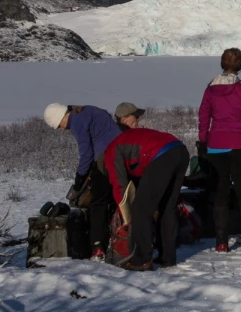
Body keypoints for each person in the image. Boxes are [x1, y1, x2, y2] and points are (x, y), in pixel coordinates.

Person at [102, 122, 189, 271]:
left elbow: (120, 187)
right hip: (179, 150)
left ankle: (142, 259)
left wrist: (125, 214)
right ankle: (168, 258)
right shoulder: (127, 140)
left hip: (162, 154)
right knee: (167, 207)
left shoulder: (111, 151)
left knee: (140, 209)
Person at [198, 47, 241, 251]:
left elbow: (204, 117)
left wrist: (203, 141)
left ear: (222, 64)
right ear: (240, 65)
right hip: (240, 144)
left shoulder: (210, 90)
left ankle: (221, 241)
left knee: (220, 191)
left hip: (216, 145)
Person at [45, 102, 121, 259]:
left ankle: (97, 247)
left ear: (63, 116)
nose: (61, 129)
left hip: (107, 159)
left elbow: (86, 153)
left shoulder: (77, 122)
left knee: (97, 204)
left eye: (59, 125)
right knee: (116, 198)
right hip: (121, 154)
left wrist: (79, 177)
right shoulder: (88, 110)